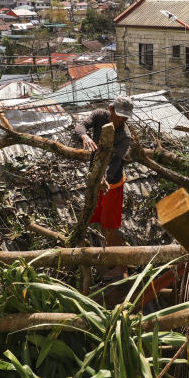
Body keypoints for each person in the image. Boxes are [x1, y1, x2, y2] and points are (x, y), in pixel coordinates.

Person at [74, 96, 133, 264]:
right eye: (120, 114)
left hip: (112, 184)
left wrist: (103, 178)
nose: (122, 119)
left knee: (110, 227)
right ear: (111, 109)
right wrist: (84, 136)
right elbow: (81, 126)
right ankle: (109, 260)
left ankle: (121, 266)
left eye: (125, 117)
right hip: (95, 178)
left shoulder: (124, 136)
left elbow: (114, 163)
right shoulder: (100, 115)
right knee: (98, 222)